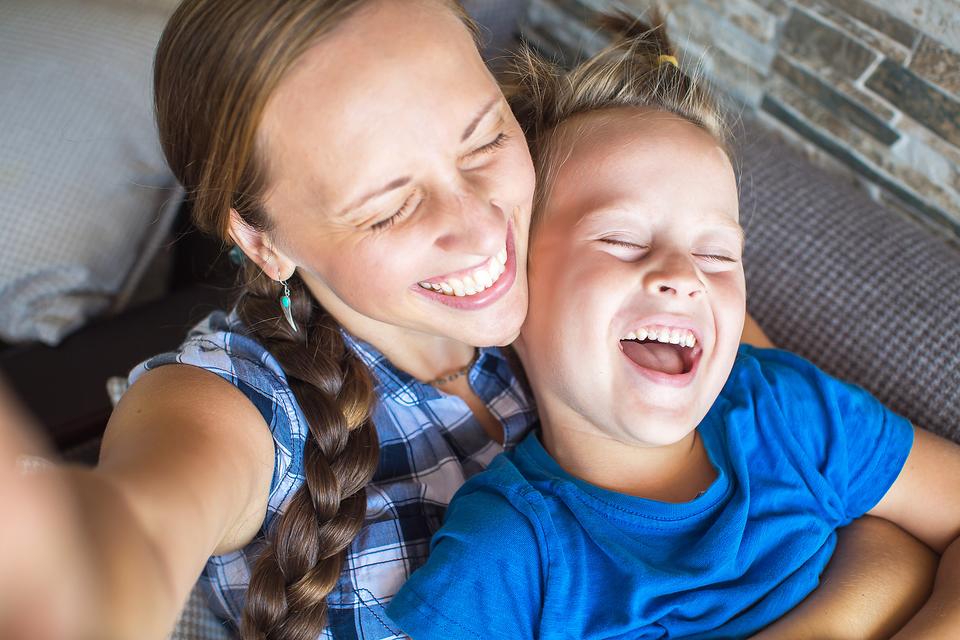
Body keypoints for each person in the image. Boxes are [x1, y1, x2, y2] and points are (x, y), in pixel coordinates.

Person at [0, 2, 937, 639]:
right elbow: (133, 532)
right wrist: (81, 563)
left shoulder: (592, 248)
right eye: (387, 205)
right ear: (263, 239)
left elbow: (836, 482)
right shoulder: (231, 409)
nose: (480, 224)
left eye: (485, 136)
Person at [386, 14, 960, 639]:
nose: (683, 275)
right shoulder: (507, 555)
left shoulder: (786, 411)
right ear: (512, 283)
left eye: (716, 255)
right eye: (622, 239)